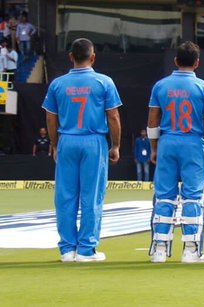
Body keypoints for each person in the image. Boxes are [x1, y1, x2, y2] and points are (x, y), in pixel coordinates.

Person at [43, 38, 122, 263]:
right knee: (91, 196)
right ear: (93, 57)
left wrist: (55, 143)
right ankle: (86, 250)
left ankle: (67, 249)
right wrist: (115, 145)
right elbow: (113, 116)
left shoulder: (58, 84)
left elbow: (50, 117)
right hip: (94, 140)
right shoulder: (103, 82)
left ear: (71, 57)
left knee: (65, 196)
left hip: (67, 139)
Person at [145, 41, 204, 264]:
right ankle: (190, 250)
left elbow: (152, 119)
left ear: (176, 61)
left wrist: (154, 147)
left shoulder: (160, 86)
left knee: (164, 196)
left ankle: (159, 249)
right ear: (197, 62)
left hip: (167, 142)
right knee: (193, 197)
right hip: (193, 143)